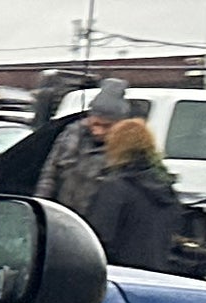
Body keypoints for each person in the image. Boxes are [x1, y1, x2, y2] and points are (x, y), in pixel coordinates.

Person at [84, 113, 185, 272]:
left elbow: (98, 237)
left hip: (121, 273)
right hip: (157, 273)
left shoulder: (115, 186)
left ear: (116, 146)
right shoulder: (165, 188)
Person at [34, 80, 132, 210]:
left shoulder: (127, 147)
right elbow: (49, 174)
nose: (98, 131)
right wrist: (42, 206)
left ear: (120, 124)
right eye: (95, 124)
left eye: (106, 126)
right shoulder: (71, 135)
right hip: (63, 212)